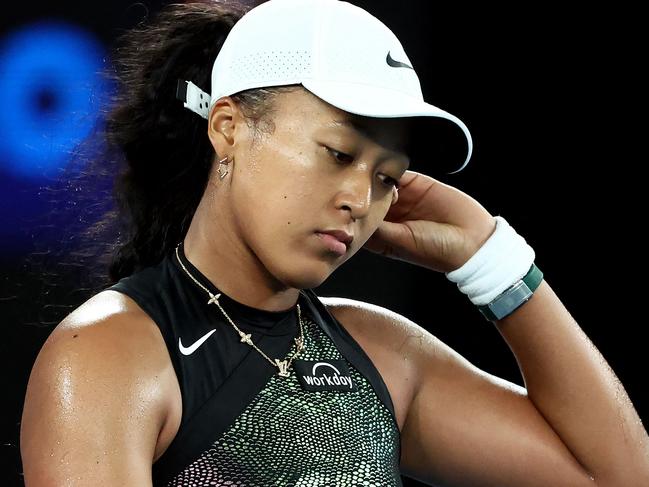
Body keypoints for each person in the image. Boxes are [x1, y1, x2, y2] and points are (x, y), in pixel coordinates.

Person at [19, 0, 649, 486]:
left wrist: (491, 262)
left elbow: (614, 474)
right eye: (338, 153)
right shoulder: (109, 353)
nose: (359, 199)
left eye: (387, 179)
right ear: (229, 127)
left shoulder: (382, 355)